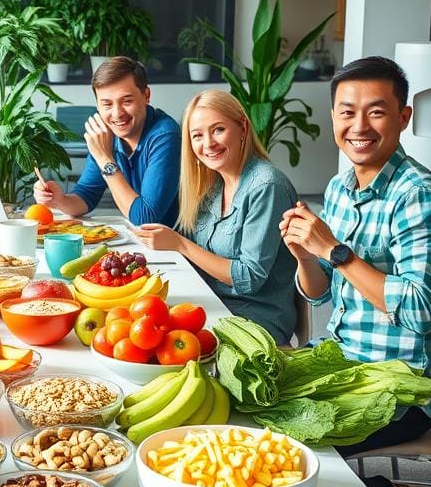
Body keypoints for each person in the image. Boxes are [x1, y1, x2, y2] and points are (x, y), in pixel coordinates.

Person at [279, 55, 431, 487]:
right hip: (342, 359)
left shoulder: (418, 195)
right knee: (242, 400)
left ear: (403, 118)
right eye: (346, 111)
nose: (359, 125)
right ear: (333, 116)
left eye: (376, 111)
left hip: (399, 385)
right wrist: (304, 255)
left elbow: (422, 310)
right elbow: (321, 296)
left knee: (287, 447)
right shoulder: (340, 189)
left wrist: (335, 250)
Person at [134, 89, 298, 344]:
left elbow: (249, 277)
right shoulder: (212, 184)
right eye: (197, 135)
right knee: (136, 327)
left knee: (157, 346)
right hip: (210, 303)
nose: (208, 144)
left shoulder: (267, 186)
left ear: (242, 128)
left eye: (218, 129)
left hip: (254, 320)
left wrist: (179, 243)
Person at [32, 56, 180, 226]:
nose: (117, 114)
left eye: (127, 101)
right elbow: (87, 195)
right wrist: (60, 200)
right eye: (107, 104)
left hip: (175, 243)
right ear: (97, 104)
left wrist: (104, 158)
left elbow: (145, 218)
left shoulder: (164, 135)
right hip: (141, 239)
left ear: (146, 95)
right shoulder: (106, 133)